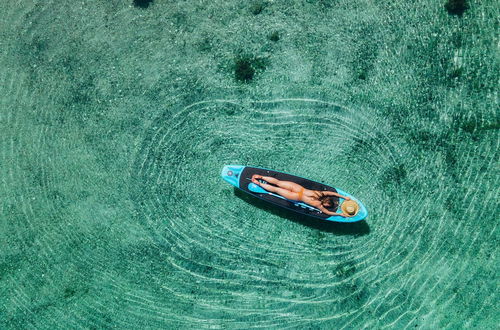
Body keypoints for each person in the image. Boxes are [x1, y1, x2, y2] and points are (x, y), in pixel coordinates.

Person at [251, 174, 357, 217]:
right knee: (275, 189)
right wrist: (340, 214)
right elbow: (328, 212)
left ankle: (260, 177)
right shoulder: (318, 205)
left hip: (298, 189)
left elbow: (332, 193)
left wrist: (344, 197)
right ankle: (259, 183)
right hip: (295, 197)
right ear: (326, 203)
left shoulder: (320, 194)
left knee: (278, 183)